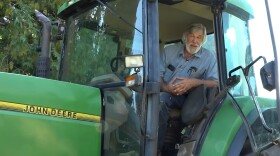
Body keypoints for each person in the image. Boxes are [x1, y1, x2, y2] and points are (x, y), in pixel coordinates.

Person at [157, 23, 219, 153]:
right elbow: (157, 75)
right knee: (159, 100)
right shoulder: (169, 51)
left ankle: (185, 148)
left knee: (194, 113)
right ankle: (156, 147)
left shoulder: (209, 57)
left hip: (189, 98)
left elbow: (216, 83)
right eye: (192, 36)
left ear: (203, 40)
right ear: (186, 37)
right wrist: (166, 87)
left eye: (199, 37)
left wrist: (193, 82)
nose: (195, 41)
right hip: (166, 93)